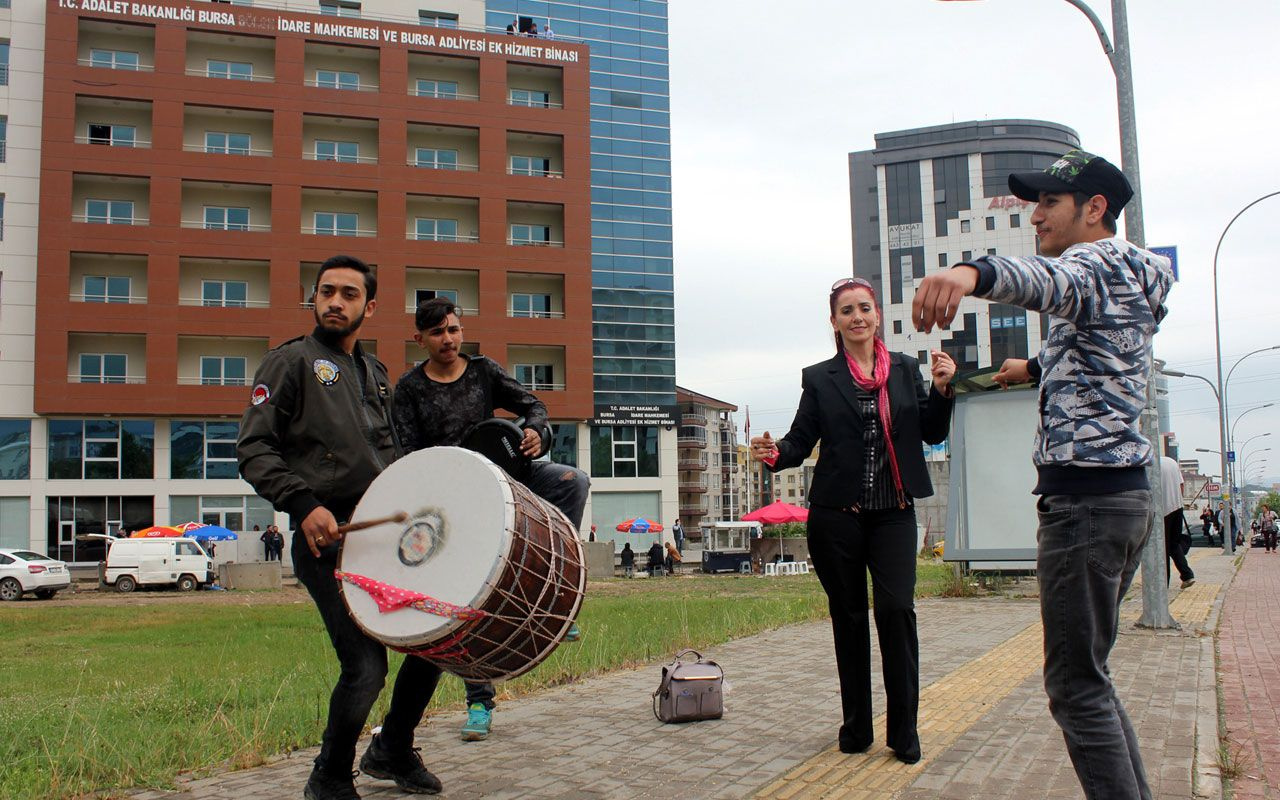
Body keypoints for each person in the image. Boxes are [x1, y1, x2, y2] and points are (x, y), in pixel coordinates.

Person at [913, 150, 1172, 800]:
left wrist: (971, 272)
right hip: (1124, 497)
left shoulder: (1092, 262)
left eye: (1049, 203)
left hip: (1084, 502)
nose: (1035, 215)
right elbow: (1103, 351)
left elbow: (1040, 281)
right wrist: (1036, 368)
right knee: (1091, 678)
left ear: (1094, 210)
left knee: (1075, 689)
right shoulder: (1132, 278)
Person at [237, 255, 443, 800]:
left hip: (384, 539)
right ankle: (329, 774)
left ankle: (393, 749)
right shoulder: (290, 363)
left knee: (434, 641)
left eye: (349, 294)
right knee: (366, 669)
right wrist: (303, 505)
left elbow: (389, 453)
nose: (334, 301)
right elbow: (255, 448)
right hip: (324, 542)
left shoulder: (374, 372)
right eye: (327, 291)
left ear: (369, 307)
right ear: (314, 297)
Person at [751, 276, 955, 765]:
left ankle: (904, 732)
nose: (857, 317)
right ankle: (857, 728)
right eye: (847, 311)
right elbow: (800, 442)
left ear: (878, 315)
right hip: (836, 517)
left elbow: (929, 432)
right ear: (835, 322)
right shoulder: (820, 378)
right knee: (849, 620)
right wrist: (774, 453)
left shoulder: (905, 370)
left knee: (896, 612)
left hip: (893, 514)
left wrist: (945, 391)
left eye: (865, 308)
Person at [392, 296, 589, 744]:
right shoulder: (409, 389)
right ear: (419, 339)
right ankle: (479, 703)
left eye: (454, 329)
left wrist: (539, 431)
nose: (448, 339)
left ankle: (556, 597)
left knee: (572, 481)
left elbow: (533, 405)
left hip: (505, 472)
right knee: (469, 596)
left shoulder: (483, 370)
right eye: (438, 332)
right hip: (451, 498)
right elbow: (407, 455)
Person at [1160, 457, 1195, 589]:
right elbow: (1181, 484)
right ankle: (1187, 575)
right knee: (1173, 544)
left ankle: (1163, 584)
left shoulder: (1152, 462)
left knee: (1162, 548)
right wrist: (1178, 501)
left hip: (1163, 510)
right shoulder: (1171, 462)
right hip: (1177, 507)